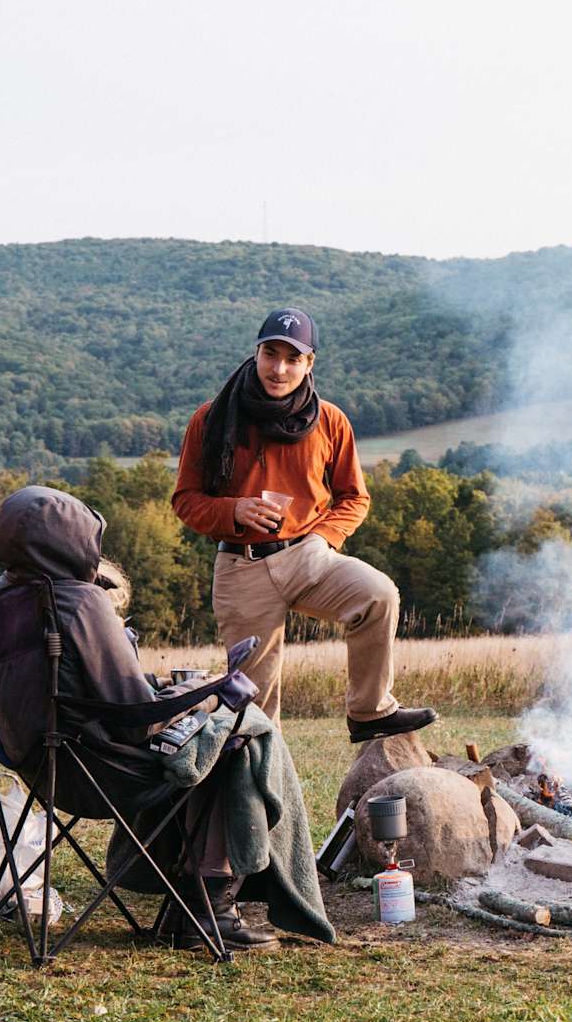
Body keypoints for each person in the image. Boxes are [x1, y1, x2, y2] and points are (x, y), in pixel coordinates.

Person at [0, 485, 334, 951]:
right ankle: (210, 910)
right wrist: (206, 688)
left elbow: (78, 689)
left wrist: (178, 692)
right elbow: (137, 721)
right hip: (104, 772)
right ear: (69, 542)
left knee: (209, 732)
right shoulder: (79, 603)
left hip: (39, 763)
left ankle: (186, 905)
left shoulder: (1, 598)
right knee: (243, 731)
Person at [171, 307, 437, 742]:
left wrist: (323, 538)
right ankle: (265, 805)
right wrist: (233, 511)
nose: (279, 369)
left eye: (293, 358)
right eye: (271, 354)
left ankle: (369, 712)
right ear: (256, 353)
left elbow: (355, 497)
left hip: (309, 556)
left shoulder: (329, 421)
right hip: (243, 566)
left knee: (379, 595)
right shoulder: (210, 418)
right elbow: (186, 500)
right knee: (254, 715)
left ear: (309, 363)